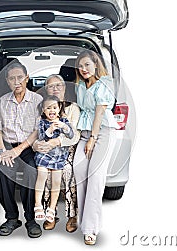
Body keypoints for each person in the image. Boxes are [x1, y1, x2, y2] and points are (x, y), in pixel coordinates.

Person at [0, 61, 43, 238]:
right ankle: (12, 218)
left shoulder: (37, 100)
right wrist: (1, 151)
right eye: (12, 79)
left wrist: (19, 150)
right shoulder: (2, 101)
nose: (17, 82)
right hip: (7, 147)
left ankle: (31, 219)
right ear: (7, 81)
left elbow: (38, 131)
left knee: (31, 172)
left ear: (27, 78)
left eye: (20, 77)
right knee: (3, 173)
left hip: (28, 148)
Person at [73, 50, 120, 245]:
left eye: (87, 65)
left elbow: (100, 113)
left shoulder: (104, 83)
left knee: (95, 177)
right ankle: (82, 219)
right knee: (79, 170)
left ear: (95, 65)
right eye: (80, 66)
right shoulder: (80, 86)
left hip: (102, 132)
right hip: (85, 132)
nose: (83, 69)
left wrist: (92, 138)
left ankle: (91, 229)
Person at [33, 74, 81, 232]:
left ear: (64, 88)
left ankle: (72, 214)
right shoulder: (44, 108)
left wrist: (56, 141)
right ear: (46, 90)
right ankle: (49, 212)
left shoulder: (72, 108)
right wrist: (37, 145)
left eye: (58, 85)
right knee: (44, 172)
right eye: (50, 86)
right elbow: (36, 133)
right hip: (46, 149)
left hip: (67, 148)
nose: (54, 89)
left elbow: (75, 134)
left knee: (67, 171)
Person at [33, 95, 74, 225]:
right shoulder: (42, 122)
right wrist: (50, 130)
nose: (52, 110)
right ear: (43, 110)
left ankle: (51, 208)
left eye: (55, 107)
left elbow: (71, 134)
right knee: (42, 175)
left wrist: (64, 126)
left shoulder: (63, 121)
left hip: (58, 157)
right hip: (44, 155)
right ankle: (38, 204)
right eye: (48, 108)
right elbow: (41, 138)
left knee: (56, 182)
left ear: (59, 108)